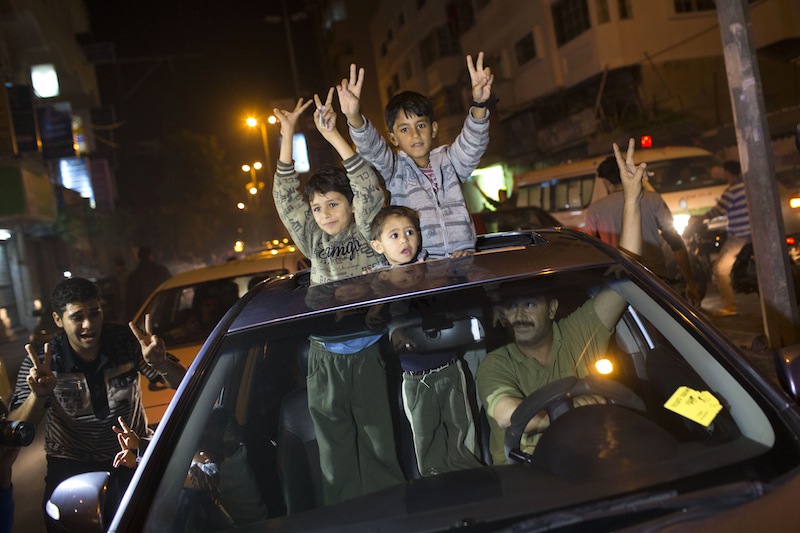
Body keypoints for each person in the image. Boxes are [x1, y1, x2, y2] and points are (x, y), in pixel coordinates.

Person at [476, 139, 646, 465]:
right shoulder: (496, 365)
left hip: (598, 459)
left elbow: (627, 276)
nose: (519, 315)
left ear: (552, 309)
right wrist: (578, 406)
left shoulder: (581, 330)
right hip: (529, 479)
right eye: (511, 307)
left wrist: (632, 199)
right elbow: (509, 417)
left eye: (529, 305)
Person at [274, 88, 404, 504]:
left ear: (350, 204)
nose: (325, 214)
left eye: (333, 204)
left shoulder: (369, 233)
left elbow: (367, 185)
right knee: (334, 454)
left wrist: (332, 135)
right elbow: (284, 199)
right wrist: (287, 135)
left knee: (380, 446)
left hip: (369, 349)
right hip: (323, 355)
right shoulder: (312, 241)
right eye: (318, 208)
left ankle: (392, 516)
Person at [8, 277, 187, 530]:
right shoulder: (44, 362)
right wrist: (38, 394)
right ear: (58, 320)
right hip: (71, 464)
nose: (88, 324)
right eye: (77, 317)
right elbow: (17, 427)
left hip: (131, 454)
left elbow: (182, 383)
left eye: (95, 313)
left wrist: (161, 364)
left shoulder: (126, 343)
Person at [342, 52, 494, 258]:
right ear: (393, 138)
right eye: (404, 129)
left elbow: (473, 142)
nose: (415, 134)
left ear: (433, 129)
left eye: (421, 125)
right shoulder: (394, 169)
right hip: (423, 269)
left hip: (465, 260)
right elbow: (371, 147)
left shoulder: (450, 162)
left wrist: (479, 104)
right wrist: (353, 116)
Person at [367, 205, 483, 475]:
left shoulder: (435, 270)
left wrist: (459, 268)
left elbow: (457, 302)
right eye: (394, 235)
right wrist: (376, 301)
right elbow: (373, 321)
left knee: (462, 433)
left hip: (451, 367)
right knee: (425, 438)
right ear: (377, 245)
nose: (405, 240)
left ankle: (471, 480)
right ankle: (436, 485)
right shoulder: (378, 284)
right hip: (416, 378)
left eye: (410, 232)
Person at [585, 155, 701, 306]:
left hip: (621, 285)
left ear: (606, 181)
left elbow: (589, 251)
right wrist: (691, 282)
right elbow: (676, 243)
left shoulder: (595, 209)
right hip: (656, 280)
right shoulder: (653, 199)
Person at [689, 161, 750, 317]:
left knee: (719, 269)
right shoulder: (748, 186)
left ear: (728, 173)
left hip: (739, 236)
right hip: (753, 235)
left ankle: (730, 305)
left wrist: (699, 218)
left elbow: (718, 210)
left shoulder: (732, 190)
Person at [126, 247, 171, 319]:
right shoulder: (162, 270)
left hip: (144, 314)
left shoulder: (134, 276)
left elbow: (131, 301)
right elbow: (171, 288)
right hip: (164, 311)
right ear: (151, 255)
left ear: (139, 258)